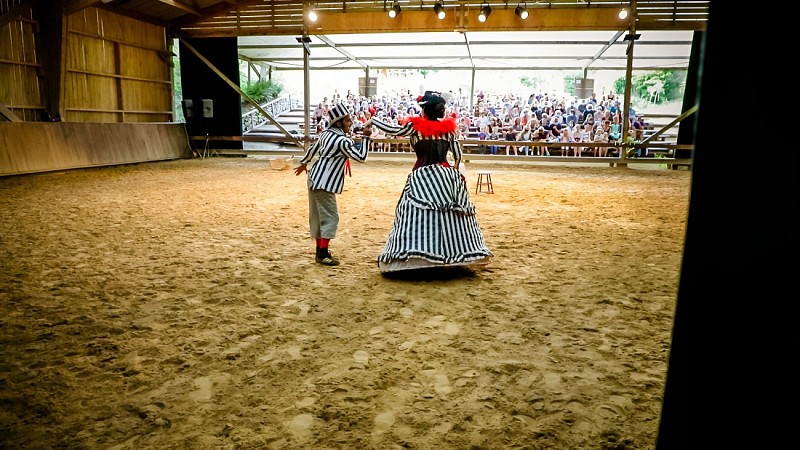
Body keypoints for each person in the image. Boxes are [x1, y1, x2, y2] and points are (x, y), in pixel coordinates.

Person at [365, 90, 493, 273]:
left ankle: (420, 254)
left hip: (422, 174)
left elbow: (394, 131)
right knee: (450, 216)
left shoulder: (415, 127)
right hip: (446, 175)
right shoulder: (448, 130)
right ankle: (454, 253)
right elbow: (458, 155)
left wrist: (373, 121)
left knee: (414, 213)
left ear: (424, 110)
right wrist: (455, 173)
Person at [294, 103, 372, 266]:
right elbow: (361, 157)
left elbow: (312, 150)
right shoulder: (342, 141)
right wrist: (366, 138)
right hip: (325, 182)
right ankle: (322, 253)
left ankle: (320, 251)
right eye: (348, 120)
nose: (350, 123)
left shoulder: (325, 134)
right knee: (331, 217)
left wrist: (303, 163)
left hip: (314, 177)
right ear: (339, 122)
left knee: (317, 216)